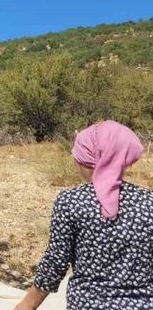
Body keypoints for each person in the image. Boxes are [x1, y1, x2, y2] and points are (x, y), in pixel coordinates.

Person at [15, 121, 153, 310]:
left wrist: (27, 305)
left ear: (88, 159)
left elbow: (56, 261)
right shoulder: (148, 201)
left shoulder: (71, 201)